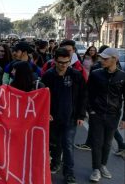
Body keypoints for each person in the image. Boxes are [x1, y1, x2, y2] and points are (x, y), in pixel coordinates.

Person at [41, 47, 87, 184]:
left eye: (66, 62)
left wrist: (80, 115)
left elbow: (83, 96)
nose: (63, 65)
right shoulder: (48, 75)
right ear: (55, 61)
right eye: (60, 62)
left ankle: (69, 173)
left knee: (67, 145)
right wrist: (46, 113)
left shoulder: (76, 75)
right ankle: (55, 162)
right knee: (54, 144)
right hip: (53, 117)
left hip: (70, 117)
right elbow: (42, 97)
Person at [87, 48, 125, 182]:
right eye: (101, 58)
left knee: (108, 143)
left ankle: (103, 165)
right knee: (97, 142)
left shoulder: (122, 76)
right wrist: (90, 110)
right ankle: (96, 169)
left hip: (113, 115)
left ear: (114, 59)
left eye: (105, 59)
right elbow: (88, 94)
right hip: (96, 114)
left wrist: (124, 119)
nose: (102, 60)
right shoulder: (96, 74)